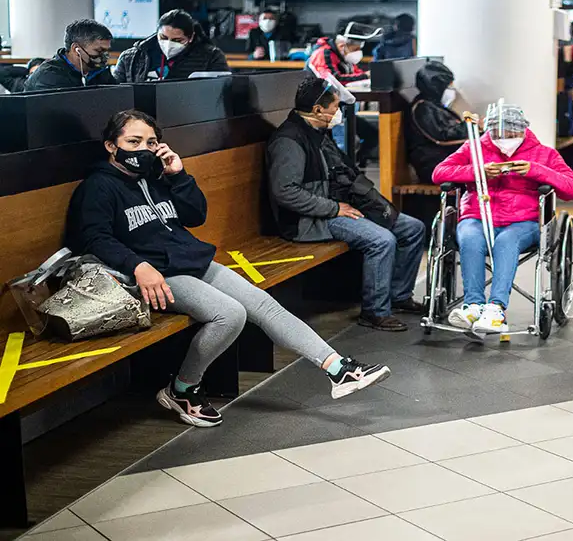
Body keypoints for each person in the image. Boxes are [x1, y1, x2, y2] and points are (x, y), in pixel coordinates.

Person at [66, 109, 390, 427]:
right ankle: (182, 389)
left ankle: (338, 369)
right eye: (134, 142)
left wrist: (177, 174)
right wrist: (138, 265)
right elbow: (95, 238)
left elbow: (195, 215)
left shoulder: (155, 178)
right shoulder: (98, 187)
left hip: (191, 260)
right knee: (230, 314)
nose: (143, 150)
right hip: (157, 275)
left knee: (265, 305)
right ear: (111, 145)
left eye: (151, 143)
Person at [267, 77, 425, 332]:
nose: (338, 113)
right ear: (318, 110)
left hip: (339, 204)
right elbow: (285, 192)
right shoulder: (289, 141)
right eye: (335, 107)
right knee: (382, 240)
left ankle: (399, 296)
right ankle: (375, 311)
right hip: (309, 219)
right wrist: (334, 208)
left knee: (413, 228)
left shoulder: (319, 132)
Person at [432, 103, 573, 333]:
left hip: (524, 222)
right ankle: (473, 306)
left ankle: (496, 308)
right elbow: (439, 173)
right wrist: (476, 171)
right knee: (470, 237)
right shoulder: (474, 147)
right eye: (499, 132)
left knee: (506, 241)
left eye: (512, 132)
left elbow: (572, 189)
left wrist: (534, 169)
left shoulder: (544, 153)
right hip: (477, 215)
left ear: (523, 130)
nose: (505, 137)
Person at [307, 24, 379, 164]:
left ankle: (353, 167)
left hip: (342, 110)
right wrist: (366, 76)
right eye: (356, 49)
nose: (358, 52)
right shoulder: (322, 54)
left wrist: (366, 76)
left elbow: (355, 74)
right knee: (342, 144)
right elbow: (334, 79)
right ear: (342, 46)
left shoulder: (344, 58)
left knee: (372, 135)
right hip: (321, 114)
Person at [114, 9, 229, 82]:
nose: (168, 44)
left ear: (191, 37)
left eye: (177, 40)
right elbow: (116, 93)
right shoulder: (130, 58)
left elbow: (220, 94)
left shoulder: (211, 57)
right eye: (163, 38)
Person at [404, 61, 466, 183]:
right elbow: (443, 137)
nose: (451, 90)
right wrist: (471, 127)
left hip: (440, 160)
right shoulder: (423, 108)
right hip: (432, 165)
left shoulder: (433, 105)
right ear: (436, 86)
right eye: (448, 86)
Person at [24, 20, 116, 92]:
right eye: (99, 51)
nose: (105, 56)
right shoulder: (48, 78)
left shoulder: (99, 72)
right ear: (76, 49)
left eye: (107, 51)